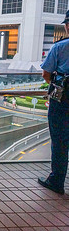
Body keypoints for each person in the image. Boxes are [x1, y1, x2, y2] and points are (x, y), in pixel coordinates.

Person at [38, 10, 69, 194]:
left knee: (59, 140)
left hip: (63, 100)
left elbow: (46, 74)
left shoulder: (60, 47)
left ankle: (57, 181)